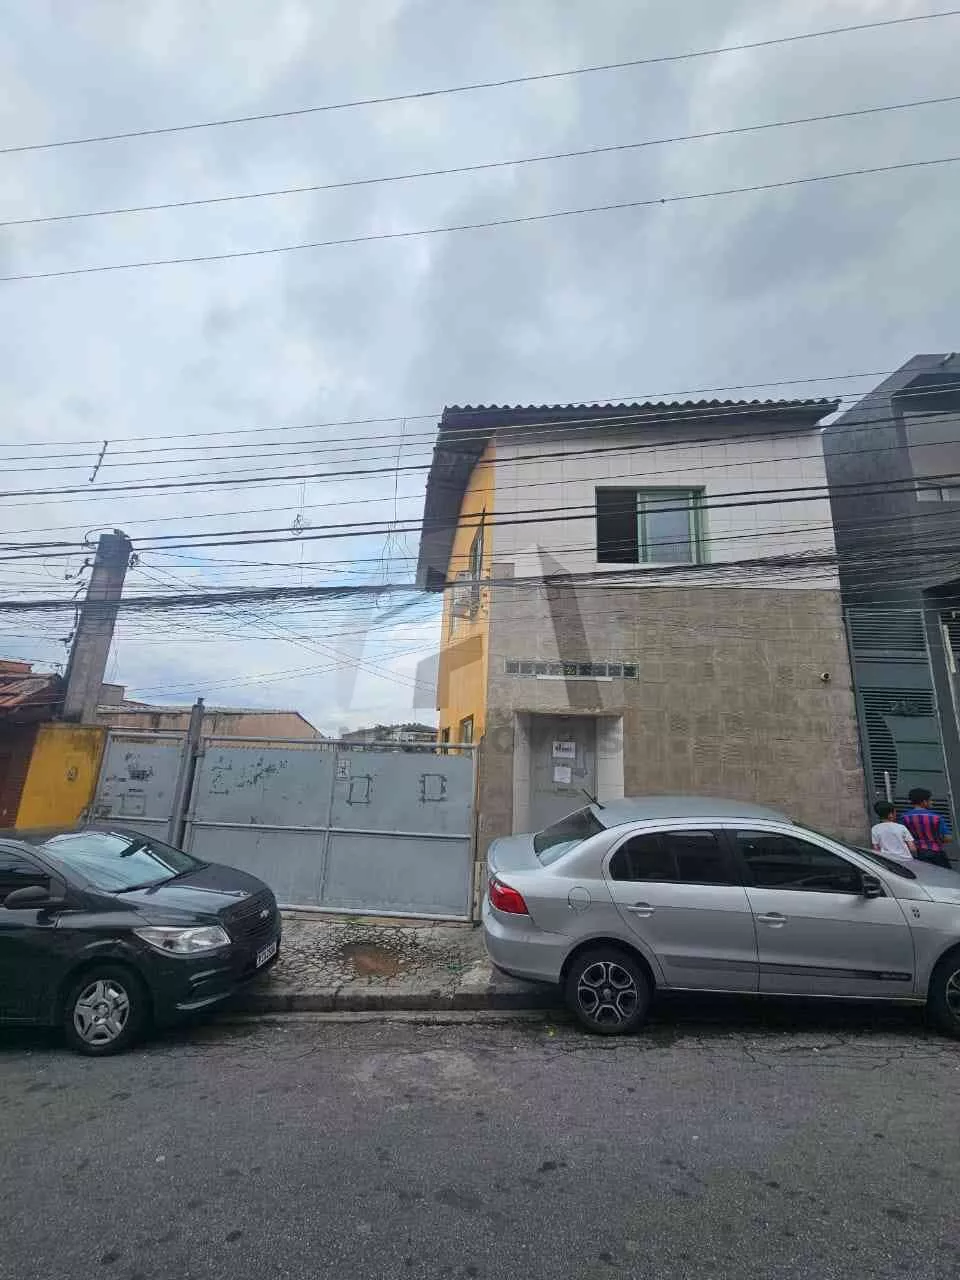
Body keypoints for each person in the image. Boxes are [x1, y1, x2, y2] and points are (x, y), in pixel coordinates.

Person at [898, 788, 953, 870]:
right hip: (936, 853)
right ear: (924, 802)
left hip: (916, 854)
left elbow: (902, 837)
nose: (932, 802)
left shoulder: (903, 817)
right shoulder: (936, 817)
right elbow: (948, 838)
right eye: (930, 800)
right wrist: (938, 840)